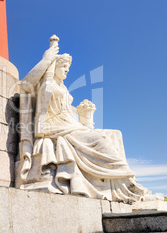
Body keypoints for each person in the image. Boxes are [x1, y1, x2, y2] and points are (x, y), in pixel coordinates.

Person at [16, 38, 158, 203]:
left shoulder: (63, 88)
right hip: (56, 127)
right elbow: (25, 85)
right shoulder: (45, 84)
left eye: (68, 68)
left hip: (72, 126)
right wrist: (47, 59)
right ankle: (128, 188)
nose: (67, 70)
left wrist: (85, 115)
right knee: (100, 139)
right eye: (63, 66)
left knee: (115, 134)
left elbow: (72, 114)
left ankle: (127, 185)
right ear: (54, 67)